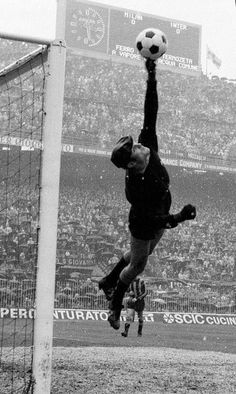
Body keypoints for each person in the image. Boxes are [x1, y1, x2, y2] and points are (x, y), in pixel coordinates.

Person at [99, 58, 196, 330]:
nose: (140, 144)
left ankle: (107, 280)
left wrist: (151, 77)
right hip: (144, 223)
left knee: (147, 252)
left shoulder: (147, 147)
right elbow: (157, 220)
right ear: (132, 163)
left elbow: (150, 111)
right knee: (138, 265)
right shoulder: (136, 191)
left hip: (162, 204)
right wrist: (180, 217)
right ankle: (115, 297)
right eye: (135, 148)